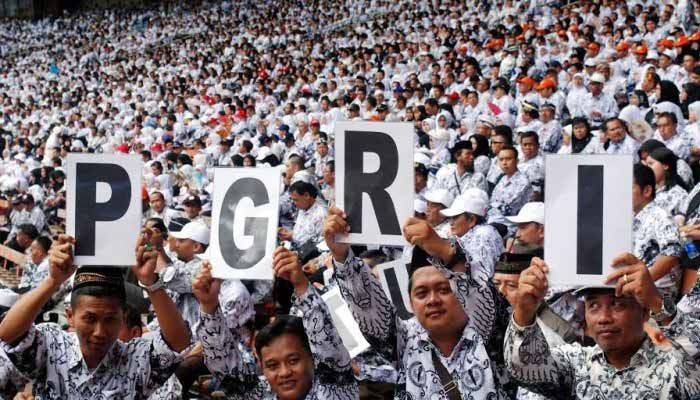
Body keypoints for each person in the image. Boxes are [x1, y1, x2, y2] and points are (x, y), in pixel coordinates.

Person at [324, 207, 513, 398]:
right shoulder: (405, 343)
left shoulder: (491, 337)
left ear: (462, 292)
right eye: (422, 293)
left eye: (444, 290)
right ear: (411, 304)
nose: (433, 300)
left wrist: (447, 252)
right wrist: (342, 256)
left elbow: (485, 301)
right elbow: (369, 308)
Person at [0, 234, 192, 399]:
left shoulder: (135, 359)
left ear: (123, 317)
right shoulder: (51, 346)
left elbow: (177, 342)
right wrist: (52, 281)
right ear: (70, 316)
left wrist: (151, 283)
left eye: (110, 319)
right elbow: (9, 333)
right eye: (89, 319)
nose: (100, 332)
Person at [505, 253, 700, 398]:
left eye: (618, 304)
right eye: (593, 306)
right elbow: (526, 370)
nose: (603, 318)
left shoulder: (673, 364)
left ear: (644, 312)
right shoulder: (577, 363)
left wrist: (658, 303)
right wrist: (524, 311)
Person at [194, 248, 358, 399]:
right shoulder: (262, 395)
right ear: (263, 370)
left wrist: (301, 284)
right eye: (272, 366)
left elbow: (329, 347)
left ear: (313, 358)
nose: (284, 372)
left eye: (293, 360)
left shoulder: (335, 389)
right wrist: (209, 306)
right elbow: (228, 373)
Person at [632, 163, 683, 300]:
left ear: (647, 191)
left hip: (655, 298)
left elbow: (672, 253)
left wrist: (642, 281)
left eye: (628, 187)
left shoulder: (660, 216)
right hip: (633, 292)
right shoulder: (630, 217)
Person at [488, 146, 533, 224]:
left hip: (512, 225)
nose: (504, 163)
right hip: (495, 221)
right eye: (501, 160)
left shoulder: (523, 182)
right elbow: (492, 201)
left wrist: (493, 207)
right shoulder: (502, 179)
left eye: (508, 159)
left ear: (517, 161)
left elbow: (507, 209)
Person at [278, 179, 328, 250]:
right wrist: (290, 235)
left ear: (306, 196)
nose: (294, 203)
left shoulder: (321, 215)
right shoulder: (303, 208)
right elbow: (303, 233)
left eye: (296, 200)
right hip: (295, 248)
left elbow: (322, 245)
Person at [646, 147, 689, 216]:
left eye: (651, 164)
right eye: (647, 165)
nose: (647, 168)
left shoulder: (678, 194)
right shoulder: (648, 191)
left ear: (665, 166)